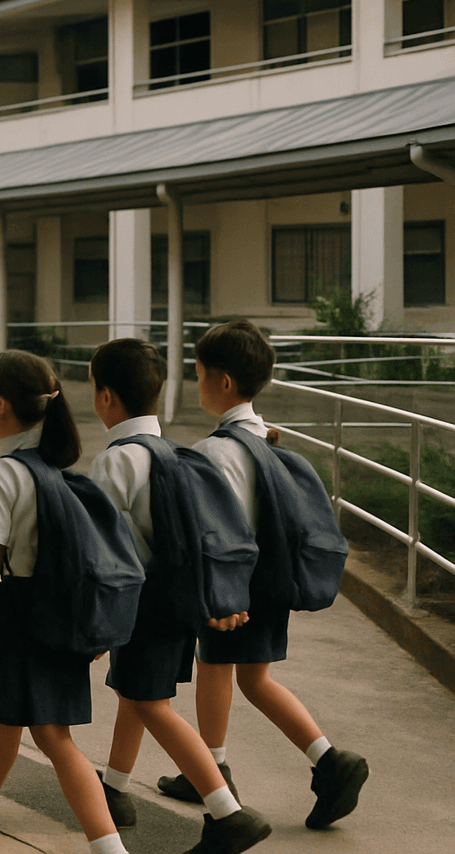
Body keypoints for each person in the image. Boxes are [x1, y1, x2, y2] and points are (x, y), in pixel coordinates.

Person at [156, 320, 368, 829]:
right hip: (273, 579)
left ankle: (224, 770)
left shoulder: (214, 451)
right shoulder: (268, 439)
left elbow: (214, 531)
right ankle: (316, 761)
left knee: (220, 669)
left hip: (235, 585)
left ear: (223, 383)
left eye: (199, 373)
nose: (196, 381)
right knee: (252, 678)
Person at [0, 351, 130, 854]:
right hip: (59, 611)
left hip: (19, 613)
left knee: (39, 736)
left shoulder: (3, 476)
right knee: (22, 728)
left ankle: (108, 850)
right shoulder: (58, 472)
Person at [88, 338, 272, 854]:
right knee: (139, 694)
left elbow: (98, 553)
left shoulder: (116, 462)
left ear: (105, 398)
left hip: (141, 608)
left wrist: (93, 621)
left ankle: (226, 811)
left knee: (153, 704)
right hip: (176, 606)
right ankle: (115, 788)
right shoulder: (177, 454)